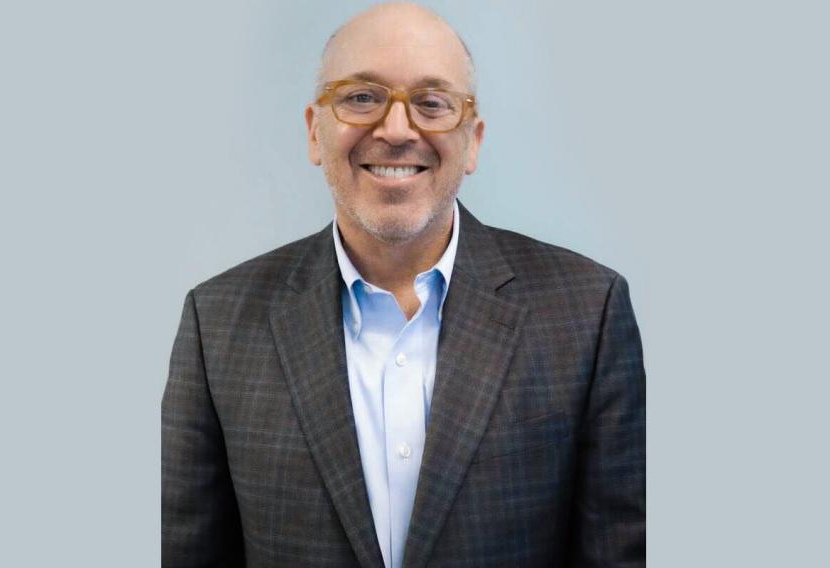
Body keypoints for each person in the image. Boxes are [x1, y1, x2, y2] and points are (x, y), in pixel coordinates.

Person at [161, 3, 645, 567]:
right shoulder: (215, 324)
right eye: (361, 97)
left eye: (432, 103)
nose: (395, 130)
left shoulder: (589, 311)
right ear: (316, 132)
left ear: (474, 142)